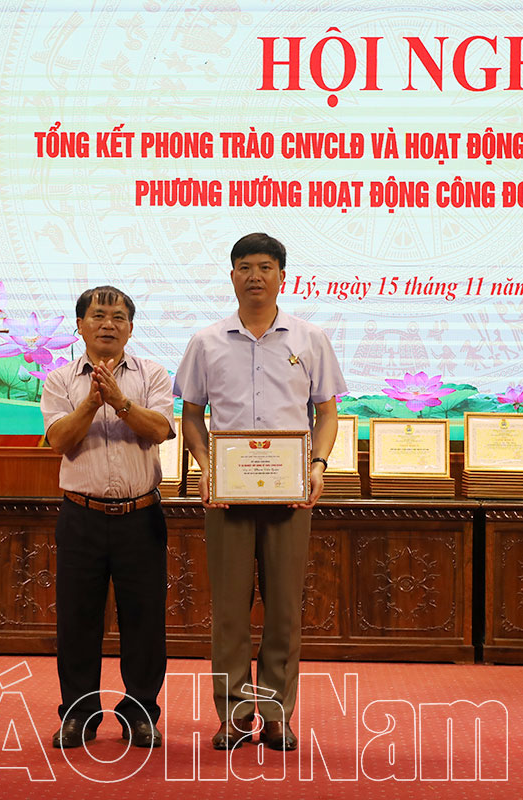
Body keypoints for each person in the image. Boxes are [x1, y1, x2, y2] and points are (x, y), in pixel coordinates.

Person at [174, 233, 346, 752]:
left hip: (290, 496)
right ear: (232, 276)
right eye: (245, 267)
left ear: (282, 276)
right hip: (226, 497)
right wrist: (206, 467)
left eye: (265, 267)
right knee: (229, 611)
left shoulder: (310, 338)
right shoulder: (206, 341)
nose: (255, 276)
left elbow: (327, 413)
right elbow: (191, 415)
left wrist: (317, 465)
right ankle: (233, 715)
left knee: (285, 611)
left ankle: (275, 715)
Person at [40, 285, 175, 749]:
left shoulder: (153, 374)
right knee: (77, 622)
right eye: (98, 316)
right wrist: (91, 402)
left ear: (130, 329)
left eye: (118, 317)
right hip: (82, 517)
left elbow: (160, 429)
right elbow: (59, 440)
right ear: (80, 326)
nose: (108, 324)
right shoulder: (59, 379)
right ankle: (79, 714)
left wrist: (119, 401)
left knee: (145, 622)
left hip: (142, 517)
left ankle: (141, 713)